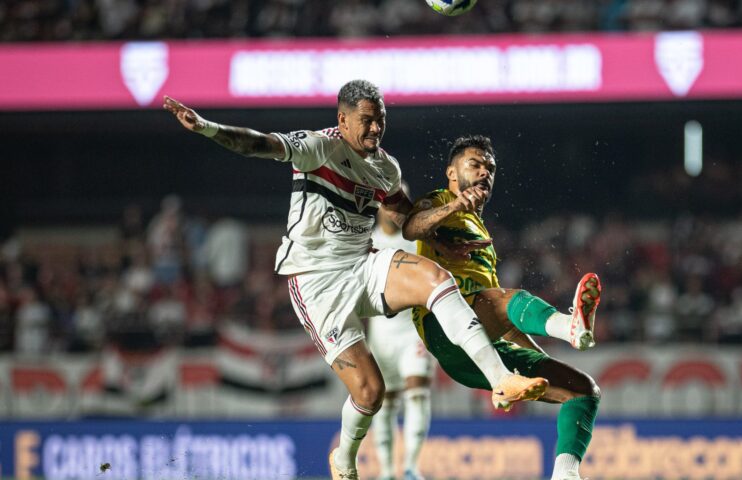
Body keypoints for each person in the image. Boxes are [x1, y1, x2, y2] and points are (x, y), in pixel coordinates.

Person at [162, 80, 548, 480]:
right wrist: (208, 127)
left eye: (381, 121)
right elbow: (258, 143)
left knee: (436, 278)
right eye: (367, 121)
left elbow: (405, 221)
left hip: (362, 265)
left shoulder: (385, 167)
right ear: (342, 120)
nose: (375, 129)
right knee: (370, 393)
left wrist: (440, 235)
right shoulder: (318, 147)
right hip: (316, 283)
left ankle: (501, 380)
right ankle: (344, 461)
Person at [402, 135, 602, 480]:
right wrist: (453, 207)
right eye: (474, 165)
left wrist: (540, 360)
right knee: (499, 299)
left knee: (583, 391)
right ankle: (571, 326)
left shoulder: (483, 237)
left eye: (490, 168)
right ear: (451, 172)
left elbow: (504, 321)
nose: (484, 173)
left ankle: (565, 474)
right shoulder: (440, 201)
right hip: (444, 330)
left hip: (481, 350)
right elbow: (410, 227)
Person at [367, 190, 435, 480]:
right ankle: (386, 471)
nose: (395, 211)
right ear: (379, 208)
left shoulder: (417, 240)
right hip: (381, 335)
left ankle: (410, 467)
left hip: (413, 332)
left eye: (400, 205)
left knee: (417, 394)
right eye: (389, 205)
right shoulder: (365, 242)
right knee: (383, 403)